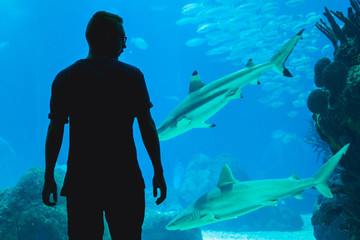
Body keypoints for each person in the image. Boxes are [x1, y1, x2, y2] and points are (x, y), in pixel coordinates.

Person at [42, 11, 167, 240]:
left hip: (82, 183)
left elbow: (56, 129)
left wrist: (49, 174)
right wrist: (157, 170)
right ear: (108, 38)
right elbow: (146, 126)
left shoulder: (65, 78)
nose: (124, 44)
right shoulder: (132, 76)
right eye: (122, 38)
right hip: (126, 180)